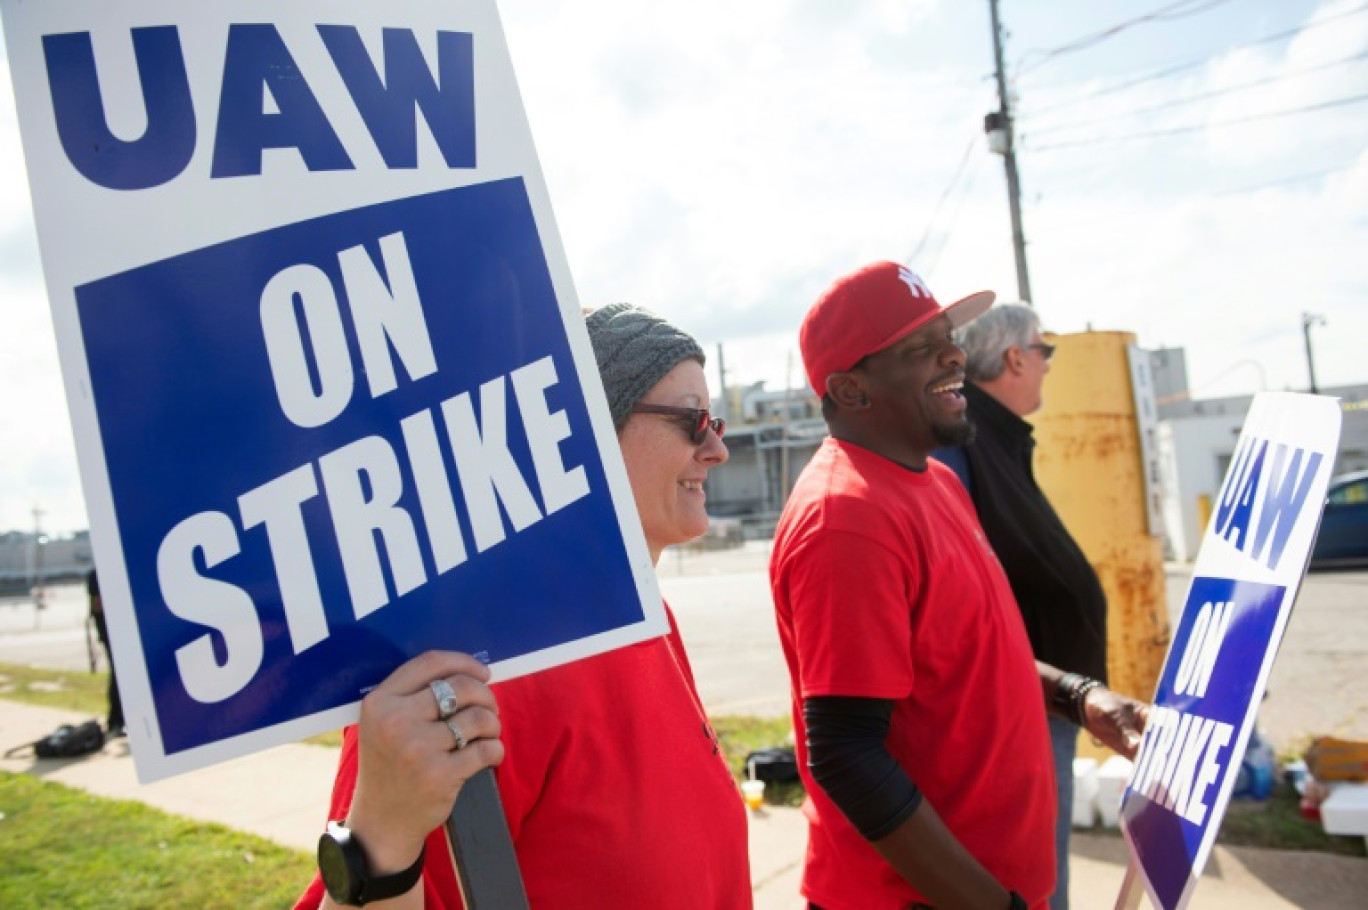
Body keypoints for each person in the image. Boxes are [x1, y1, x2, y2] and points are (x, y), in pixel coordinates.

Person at [297, 303, 750, 909]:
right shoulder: (489, 661)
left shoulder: (644, 615)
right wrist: (381, 836)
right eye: (691, 421)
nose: (717, 449)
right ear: (586, 429)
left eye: (715, 421)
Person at [769, 261, 1148, 910]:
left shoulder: (934, 482)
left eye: (948, 335)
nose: (954, 355)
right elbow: (845, 751)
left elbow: (970, 655)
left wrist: (1077, 696)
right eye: (922, 348)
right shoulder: (847, 517)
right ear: (852, 390)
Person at [932, 304, 1109, 910]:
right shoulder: (964, 440)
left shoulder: (994, 437)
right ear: (1014, 358)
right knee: (1035, 878)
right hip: (1021, 702)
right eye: (1044, 352)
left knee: (1043, 866)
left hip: (1048, 692)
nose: (1046, 366)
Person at [86, 568, 125, 738]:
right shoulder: (97, 574)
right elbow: (98, 605)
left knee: (122, 675)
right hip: (112, 634)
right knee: (119, 675)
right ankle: (115, 721)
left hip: (120, 632)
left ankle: (120, 720)